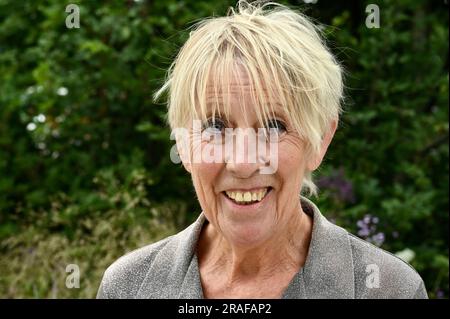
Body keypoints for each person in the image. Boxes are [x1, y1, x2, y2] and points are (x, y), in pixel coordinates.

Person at [97, 1, 428, 299]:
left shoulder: (390, 289)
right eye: (215, 126)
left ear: (320, 141)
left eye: (274, 126)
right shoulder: (129, 286)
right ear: (183, 143)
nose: (242, 162)